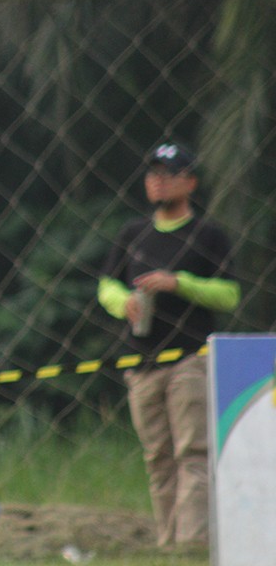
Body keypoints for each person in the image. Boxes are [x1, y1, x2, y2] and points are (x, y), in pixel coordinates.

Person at [97, 141, 240, 549]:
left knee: (191, 453)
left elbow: (229, 295)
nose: (158, 182)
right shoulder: (132, 233)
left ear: (190, 183)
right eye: (153, 174)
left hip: (190, 359)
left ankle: (192, 543)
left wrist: (178, 283)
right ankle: (167, 542)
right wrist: (121, 303)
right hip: (140, 362)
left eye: (169, 174)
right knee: (157, 457)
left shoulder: (208, 234)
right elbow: (107, 283)